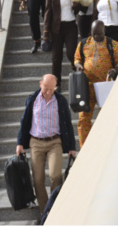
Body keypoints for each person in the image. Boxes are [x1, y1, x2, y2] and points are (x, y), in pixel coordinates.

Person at [15, 74, 77, 214]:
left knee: (55, 176)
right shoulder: (32, 99)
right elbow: (24, 122)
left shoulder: (60, 100)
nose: (49, 92)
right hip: (36, 143)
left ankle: (55, 209)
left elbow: (67, 123)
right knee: (38, 180)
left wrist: (72, 147)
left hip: (55, 142)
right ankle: (45, 212)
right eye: (46, 88)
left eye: (52, 89)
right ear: (40, 84)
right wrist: (20, 143)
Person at [73, 21, 118, 147]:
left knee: (107, 116)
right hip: (87, 86)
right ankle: (85, 146)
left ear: (104, 31)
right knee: (83, 118)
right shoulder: (84, 43)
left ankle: (108, 143)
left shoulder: (112, 44)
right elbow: (77, 58)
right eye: (94, 34)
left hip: (104, 85)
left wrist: (115, 70)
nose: (96, 36)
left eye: (99, 34)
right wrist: (78, 65)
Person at [43, 0, 80, 91]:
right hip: (56, 28)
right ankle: (57, 83)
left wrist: (76, 5)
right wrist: (46, 31)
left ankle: (77, 75)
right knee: (56, 57)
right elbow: (48, 13)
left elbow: (78, 10)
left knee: (71, 53)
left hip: (71, 27)